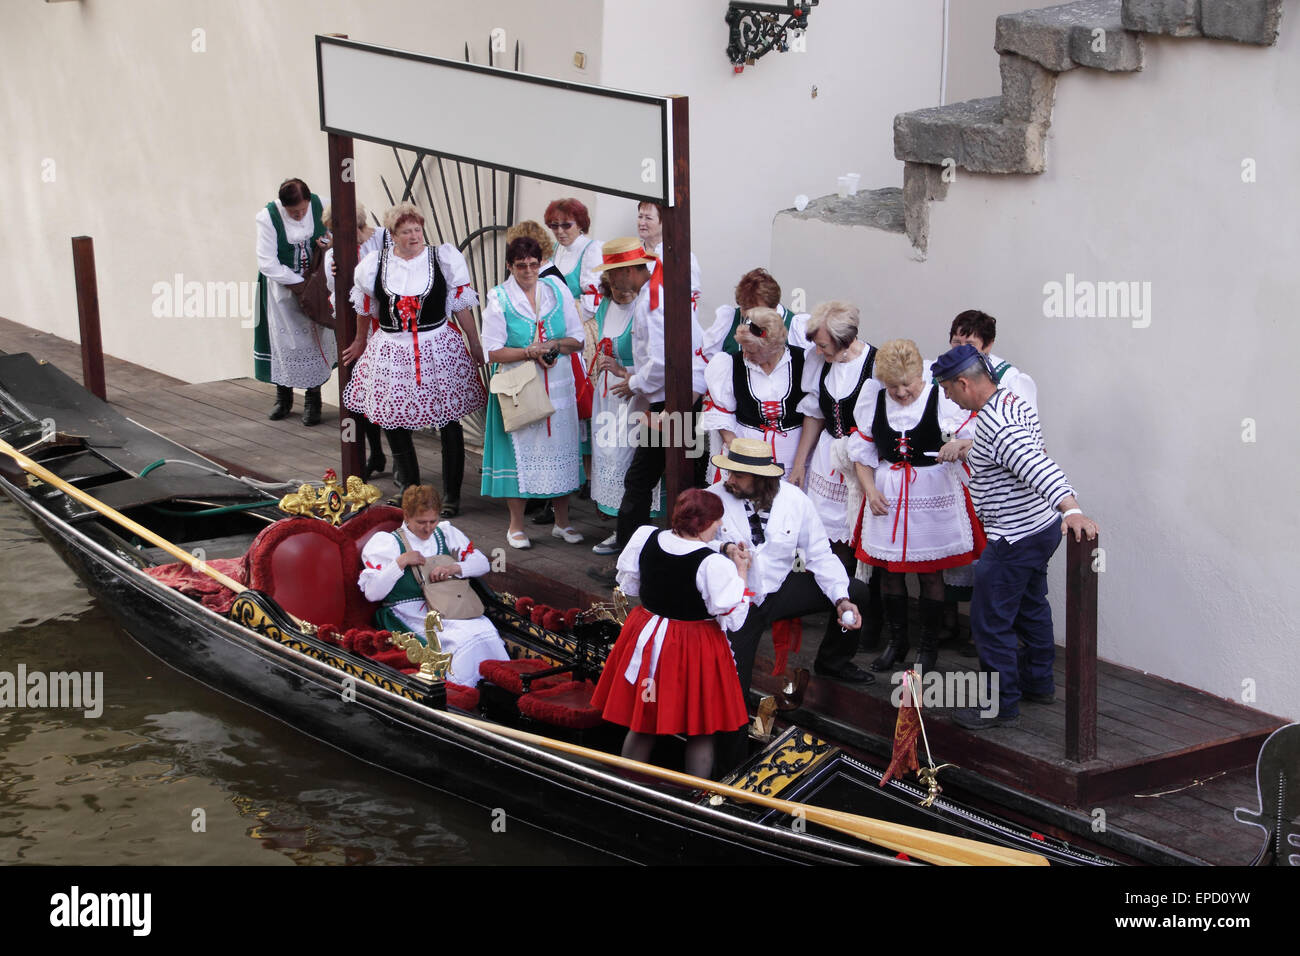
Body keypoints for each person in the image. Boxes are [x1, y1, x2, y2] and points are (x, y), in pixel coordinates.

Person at [932, 344, 1099, 730]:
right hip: (1038, 529)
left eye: (946, 389)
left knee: (989, 620)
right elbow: (1016, 448)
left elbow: (1036, 463)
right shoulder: (1009, 400)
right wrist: (971, 447)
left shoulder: (997, 424)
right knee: (1030, 605)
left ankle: (1000, 704)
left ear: (963, 383)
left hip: (1014, 536)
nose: (946, 397)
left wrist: (1072, 510)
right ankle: (1038, 682)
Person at [590, 488, 753, 779]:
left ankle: (628, 787)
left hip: (648, 633)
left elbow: (631, 585)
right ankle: (695, 799)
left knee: (643, 720)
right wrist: (741, 571)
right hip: (693, 642)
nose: (720, 527)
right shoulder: (713, 565)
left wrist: (722, 548)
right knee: (700, 728)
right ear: (704, 524)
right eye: (717, 521)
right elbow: (731, 615)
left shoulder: (647, 537)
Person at [846, 339, 984, 675]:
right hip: (888, 496)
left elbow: (973, 438)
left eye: (907, 385)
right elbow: (861, 456)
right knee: (889, 574)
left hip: (931, 495)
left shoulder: (941, 399)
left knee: (930, 574)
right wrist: (870, 490)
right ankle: (897, 643)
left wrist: (957, 447)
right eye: (893, 387)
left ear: (920, 376)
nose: (902, 393)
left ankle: (928, 648)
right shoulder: (873, 398)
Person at [342, 203, 487, 505]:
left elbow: (461, 306)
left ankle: (451, 495)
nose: (414, 236)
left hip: (437, 345)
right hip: (393, 349)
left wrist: (475, 343)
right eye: (406, 231)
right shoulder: (375, 264)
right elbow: (367, 307)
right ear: (392, 235)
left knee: (448, 421)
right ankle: (410, 488)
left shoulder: (442, 258)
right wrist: (359, 340)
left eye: (417, 230)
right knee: (393, 419)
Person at [585, 237, 704, 584]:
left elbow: (661, 360)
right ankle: (677, 557)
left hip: (673, 397)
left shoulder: (652, 301)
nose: (611, 282)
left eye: (613, 274)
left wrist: (634, 382)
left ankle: (629, 564)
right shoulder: (657, 293)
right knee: (679, 475)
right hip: (682, 395)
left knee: (641, 480)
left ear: (627, 271)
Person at [710, 438, 870, 690]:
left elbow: (820, 555)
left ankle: (832, 663)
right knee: (732, 685)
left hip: (779, 590)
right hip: (737, 602)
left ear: (760, 478)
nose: (729, 479)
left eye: (738, 475)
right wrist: (723, 548)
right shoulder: (712, 498)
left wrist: (841, 600)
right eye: (730, 472)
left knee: (855, 590)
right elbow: (692, 545)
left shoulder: (796, 500)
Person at [942, 309, 1039, 654]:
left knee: (991, 568)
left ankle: (994, 646)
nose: (960, 349)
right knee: (955, 554)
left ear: (989, 345)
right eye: (955, 342)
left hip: (995, 487)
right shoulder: (946, 375)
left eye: (968, 344)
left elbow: (1023, 444)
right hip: (952, 477)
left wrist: (967, 445)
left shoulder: (1013, 381)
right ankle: (954, 624)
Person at [479, 235, 586, 548]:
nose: (528, 271)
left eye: (533, 264)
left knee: (563, 449)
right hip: (519, 385)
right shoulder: (499, 297)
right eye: (521, 265)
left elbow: (577, 339)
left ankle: (562, 523)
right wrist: (529, 351)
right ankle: (515, 526)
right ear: (510, 266)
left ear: (541, 264)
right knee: (520, 454)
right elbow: (493, 351)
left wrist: (552, 345)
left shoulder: (556, 289)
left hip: (558, 383)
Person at [789, 300, 883, 644]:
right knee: (830, 541)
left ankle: (869, 620)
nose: (817, 349)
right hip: (829, 458)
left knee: (864, 539)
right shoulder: (819, 362)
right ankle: (838, 610)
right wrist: (800, 462)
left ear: (845, 339)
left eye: (823, 344)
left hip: (863, 461)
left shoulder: (874, 363)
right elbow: (814, 414)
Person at [358, 485, 509, 688]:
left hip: (448, 604)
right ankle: (463, 691)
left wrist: (453, 567)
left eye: (433, 521)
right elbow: (372, 593)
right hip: (408, 612)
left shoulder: (445, 532)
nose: (428, 528)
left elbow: (482, 564)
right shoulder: (387, 543)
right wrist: (400, 562)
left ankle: (496, 686)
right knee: (460, 639)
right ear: (407, 517)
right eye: (421, 522)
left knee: (485, 630)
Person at [588, 272, 663, 554]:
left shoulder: (646, 308)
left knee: (633, 460)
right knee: (610, 455)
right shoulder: (605, 306)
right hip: (609, 393)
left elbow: (655, 362)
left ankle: (640, 531)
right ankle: (621, 527)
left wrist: (626, 374)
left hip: (636, 393)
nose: (622, 293)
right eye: (616, 289)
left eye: (625, 288)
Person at [254, 177, 335, 426]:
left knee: (315, 337)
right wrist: (300, 287)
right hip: (283, 289)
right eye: (293, 212)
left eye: (302, 209)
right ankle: (284, 397)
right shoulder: (268, 218)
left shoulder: (323, 205)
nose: (299, 215)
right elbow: (267, 261)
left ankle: (313, 400)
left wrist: (328, 244)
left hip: (319, 285)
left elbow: (338, 232)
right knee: (285, 341)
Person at [699, 306, 806, 475]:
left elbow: (814, 415)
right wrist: (739, 454)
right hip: (747, 459)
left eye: (751, 351)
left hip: (794, 458)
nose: (745, 355)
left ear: (772, 346)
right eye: (743, 348)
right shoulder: (731, 365)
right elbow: (722, 414)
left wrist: (801, 463)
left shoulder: (802, 361)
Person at [323, 203, 387, 479]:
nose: (332, 239)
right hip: (356, 325)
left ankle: (400, 462)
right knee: (363, 390)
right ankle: (376, 452)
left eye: (337, 233)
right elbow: (333, 288)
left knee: (389, 392)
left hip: (386, 326)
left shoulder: (384, 238)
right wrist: (335, 270)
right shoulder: (334, 254)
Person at [701, 267, 810, 362]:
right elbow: (702, 369)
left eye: (756, 309)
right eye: (745, 308)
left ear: (774, 307)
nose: (750, 315)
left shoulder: (795, 327)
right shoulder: (728, 321)